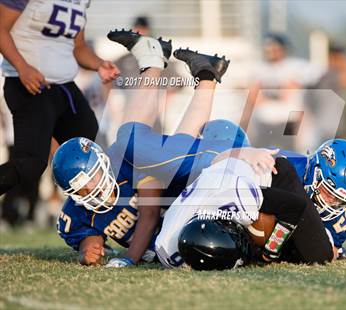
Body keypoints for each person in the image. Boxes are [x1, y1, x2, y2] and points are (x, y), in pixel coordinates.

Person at [53, 30, 239, 266]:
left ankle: (161, 62)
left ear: (101, 162)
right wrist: (87, 251)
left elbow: (149, 215)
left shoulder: (124, 163)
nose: (90, 190)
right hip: (183, 234)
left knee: (132, 143)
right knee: (164, 150)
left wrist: (130, 259)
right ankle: (204, 74)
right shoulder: (75, 213)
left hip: (188, 199)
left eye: (91, 178)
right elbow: (90, 241)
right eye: (80, 189)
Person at [155, 138, 346, 269]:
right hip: (257, 198)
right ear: (315, 173)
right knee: (319, 254)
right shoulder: (285, 165)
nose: (334, 203)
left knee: (320, 254)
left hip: (256, 200)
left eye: (341, 200)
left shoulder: (339, 221)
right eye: (329, 194)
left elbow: (327, 250)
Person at [0, 0, 120, 196]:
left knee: (93, 155)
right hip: (31, 85)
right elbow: (1, 29)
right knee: (30, 164)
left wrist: (99, 64)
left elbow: (78, 47)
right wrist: (22, 67)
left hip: (64, 87)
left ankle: (93, 221)